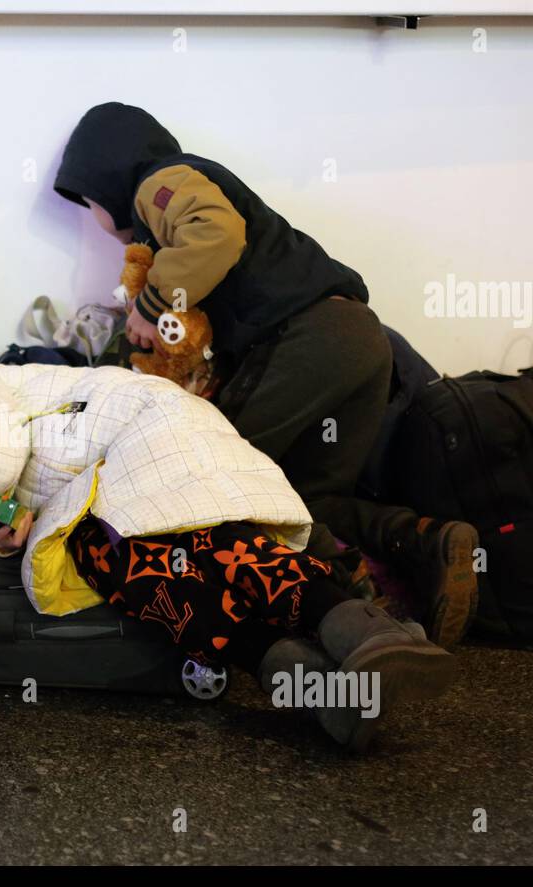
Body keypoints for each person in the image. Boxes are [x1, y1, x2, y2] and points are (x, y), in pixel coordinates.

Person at [0, 354, 457, 752]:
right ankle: (321, 691)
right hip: (78, 496)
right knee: (157, 577)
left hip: (123, 429)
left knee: (201, 540)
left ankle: (367, 634)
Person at [53, 101, 477, 647]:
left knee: (222, 478)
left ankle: (357, 614)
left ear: (108, 174)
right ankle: (426, 542)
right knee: (305, 500)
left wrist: (152, 304)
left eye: (87, 201)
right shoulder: (181, 193)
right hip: (359, 340)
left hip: (305, 339)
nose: (92, 216)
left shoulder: (159, 183)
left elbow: (216, 234)